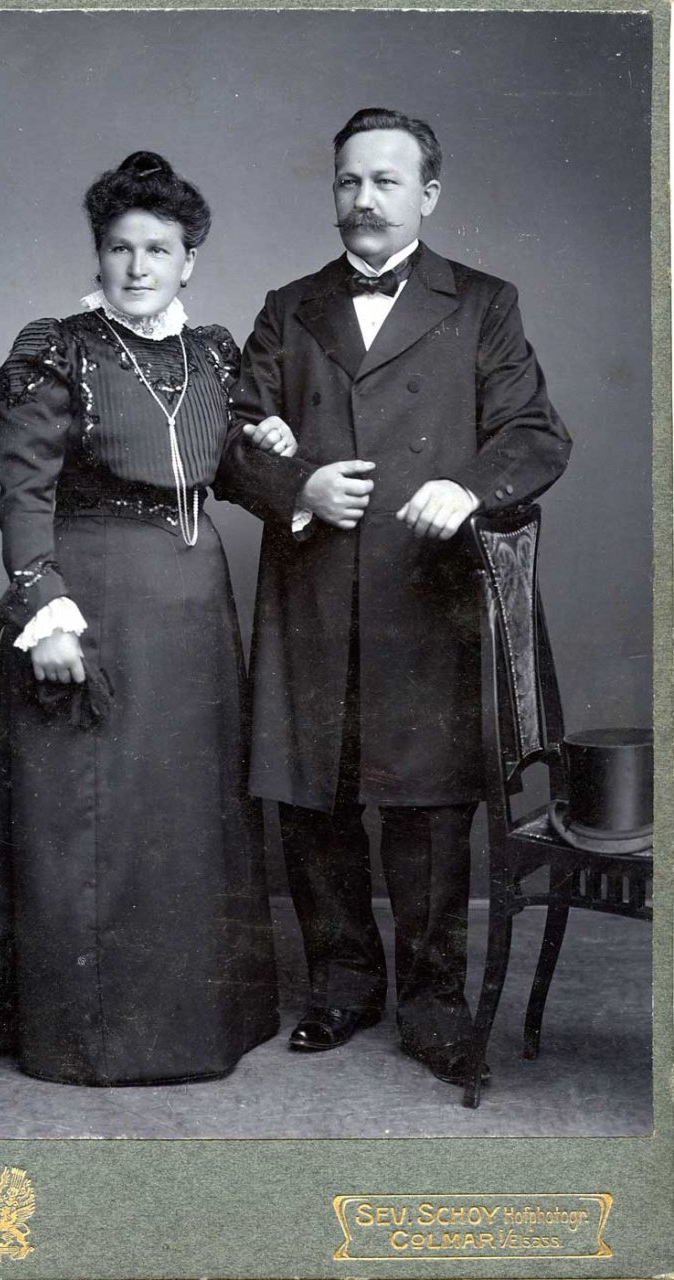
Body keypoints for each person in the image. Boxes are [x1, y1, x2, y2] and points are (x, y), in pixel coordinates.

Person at [214, 108, 572, 1088]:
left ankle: (432, 1001)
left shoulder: (484, 302)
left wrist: (471, 486)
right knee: (314, 797)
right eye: (348, 181)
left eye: (385, 180)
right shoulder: (289, 307)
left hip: (428, 592)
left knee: (429, 808)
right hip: (315, 591)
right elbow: (229, 438)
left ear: (428, 194)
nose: (364, 199)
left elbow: (536, 433)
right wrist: (300, 487)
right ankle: (341, 985)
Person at [0, 151, 285, 1086]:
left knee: (187, 814)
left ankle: (198, 1024)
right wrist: (45, 612)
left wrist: (286, 461)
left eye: (158, 249)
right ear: (99, 254)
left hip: (194, 612)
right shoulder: (59, 348)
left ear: (189, 260)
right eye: (121, 248)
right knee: (95, 817)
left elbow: (231, 471)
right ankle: (91, 1038)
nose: (138, 266)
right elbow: (24, 494)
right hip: (94, 602)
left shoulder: (214, 353)